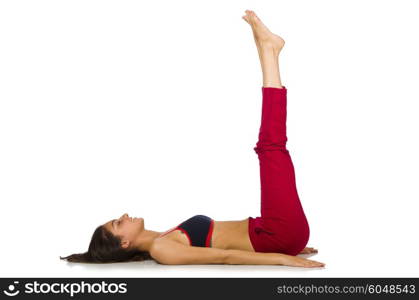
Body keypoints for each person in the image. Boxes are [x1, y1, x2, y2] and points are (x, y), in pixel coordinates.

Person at [60, 10, 325, 268]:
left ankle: (267, 50)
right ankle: (268, 52)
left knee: (270, 147)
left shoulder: (165, 237)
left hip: (275, 234)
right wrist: (281, 257)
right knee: (270, 147)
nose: (124, 216)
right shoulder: (162, 250)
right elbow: (225, 257)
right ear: (125, 243)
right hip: (278, 234)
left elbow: (234, 244)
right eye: (118, 223)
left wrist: (288, 247)